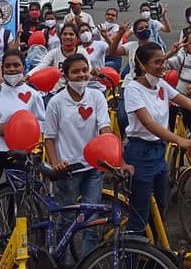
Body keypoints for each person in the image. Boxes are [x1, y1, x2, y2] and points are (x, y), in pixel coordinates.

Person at [123, 42, 191, 236]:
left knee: (160, 207)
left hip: (158, 151)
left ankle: (154, 255)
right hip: (140, 152)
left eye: (163, 61)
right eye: (157, 62)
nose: (163, 65)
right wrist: (180, 140)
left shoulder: (162, 85)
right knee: (140, 213)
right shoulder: (133, 89)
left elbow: (188, 103)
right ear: (142, 65)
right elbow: (148, 123)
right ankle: (133, 256)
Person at [44, 54, 128, 261]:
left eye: (84, 70)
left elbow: (105, 128)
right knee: (67, 218)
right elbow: (49, 137)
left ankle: (88, 261)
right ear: (65, 75)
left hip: (94, 169)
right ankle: (61, 260)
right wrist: (55, 163)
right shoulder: (56, 102)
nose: (81, 75)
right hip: (68, 170)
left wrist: (113, 157)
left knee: (91, 220)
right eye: (75, 71)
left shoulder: (97, 97)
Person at [0, 50, 45, 212]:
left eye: (16, 65)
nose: (12, 69)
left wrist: (24, 135)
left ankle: (14, 233)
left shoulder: (34, 95)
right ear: (2, 68)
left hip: (20, 155)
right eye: (7, 66)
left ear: (23, 67)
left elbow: (41, 124)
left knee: (18, 200)